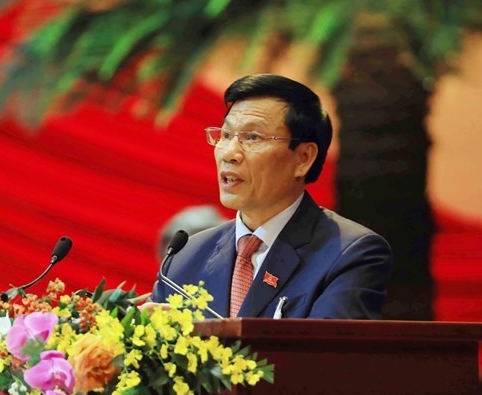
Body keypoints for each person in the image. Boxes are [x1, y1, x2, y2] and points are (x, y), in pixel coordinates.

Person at [151, 74, 392, 319]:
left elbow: (325, 356)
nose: (229, 153)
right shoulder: (185, 258)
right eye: (225, 135)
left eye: (252, 137)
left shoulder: (348, 254)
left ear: (304, 158)